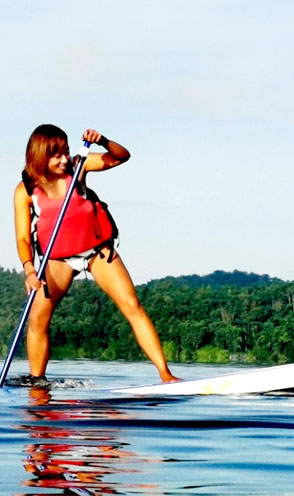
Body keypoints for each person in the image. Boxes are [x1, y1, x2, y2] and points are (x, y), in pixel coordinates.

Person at [13, 124, 177, 382]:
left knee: (132, 305)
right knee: (37, 319)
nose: (65, 159)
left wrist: (103, 141)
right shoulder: (25, 191)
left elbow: (122, 157)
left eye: (66, 152)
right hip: (58, 259)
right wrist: (30, 269)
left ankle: (166, 375)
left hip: (96, 252)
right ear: (41, 155)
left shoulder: (79, 167)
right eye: (57, 155)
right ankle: (38, 384)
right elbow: (23, 237)